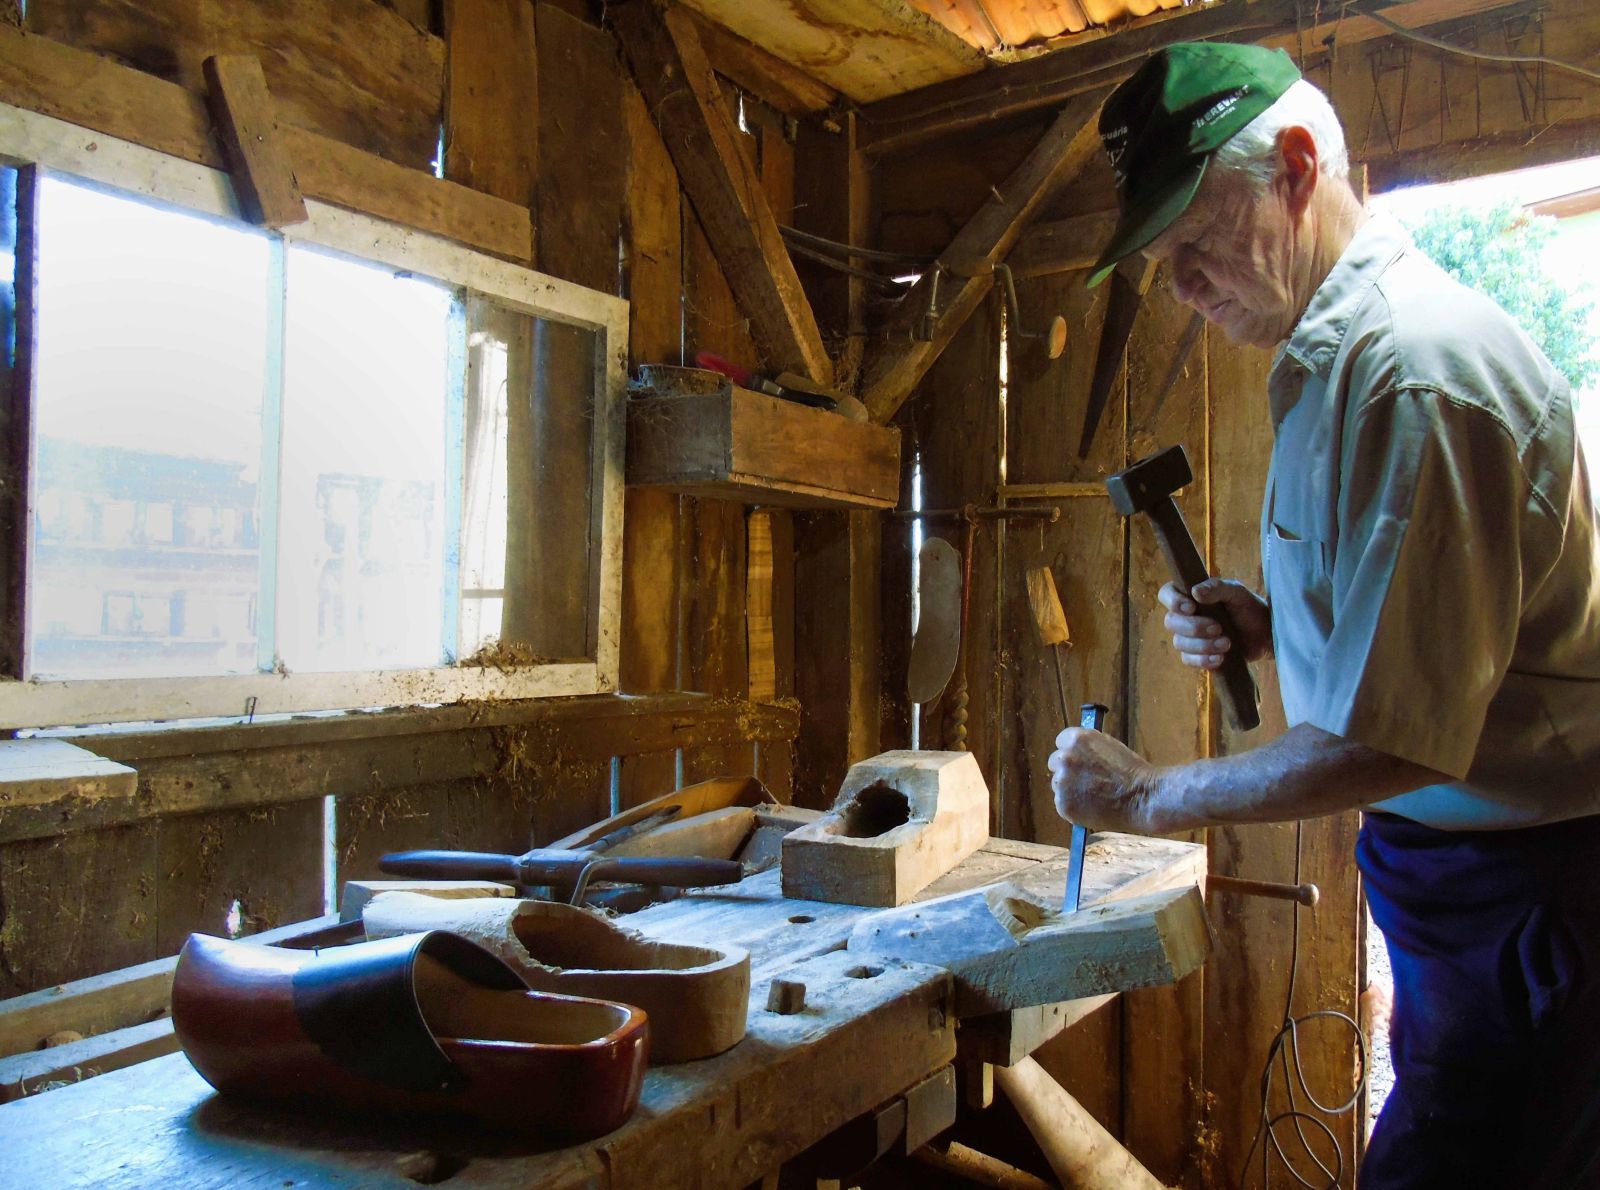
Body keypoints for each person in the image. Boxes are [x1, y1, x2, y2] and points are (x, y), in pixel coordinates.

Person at [1047, 42, 1600, 1189]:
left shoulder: (1411, 375)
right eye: (1163, 261)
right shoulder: (1331, 364)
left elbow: (1391, 736)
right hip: (1464, 877)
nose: (1182, 286)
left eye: (1194, 240)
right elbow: (1435, 639)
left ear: (1298, 166)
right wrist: (1271, 626)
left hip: (1529, 892)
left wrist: (1143, 796)